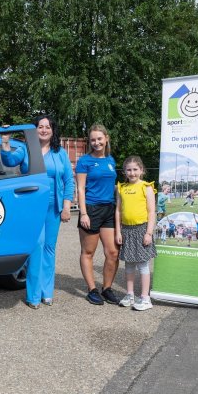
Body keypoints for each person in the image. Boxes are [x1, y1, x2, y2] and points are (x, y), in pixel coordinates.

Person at [1, 115, 75, 309]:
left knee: (50, 248)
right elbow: (8, 160)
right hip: (31, 206)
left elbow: (69, 180)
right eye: (40, 126)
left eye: (47, 127)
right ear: (35, 130)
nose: (44, 130)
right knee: (36, 246)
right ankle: (33, 296)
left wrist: (67, 206)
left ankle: (46, 293)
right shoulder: (25, 149)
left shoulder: (60, 153)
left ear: (52, 130)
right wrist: (5, 140)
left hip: (54, 206)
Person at [76, 124, 120, 305]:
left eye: (99, 139)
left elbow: (112, 186)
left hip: (109, 209)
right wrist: (83, 213)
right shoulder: (84, 161)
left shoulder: (111, 160)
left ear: (106, 138)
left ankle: (107, 288)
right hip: (91, 209)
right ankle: (92, 289)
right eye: (93, 139)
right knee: (88, 252)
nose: (96, 142)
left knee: (112, 252)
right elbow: (80, 188)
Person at [115, 156, 157, 311]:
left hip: (142, 230)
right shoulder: (121, 188)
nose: (132, 173)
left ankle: (145, 297)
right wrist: (118, 231)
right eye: (129, 170)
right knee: (129, 264)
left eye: (135, 169)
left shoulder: (146, 187)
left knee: (143, 265)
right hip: (126, 230)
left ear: (141, 170)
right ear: (124, 172)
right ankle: (130, 294)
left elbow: (152, 212)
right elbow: (118, 211)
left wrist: (149, 233)